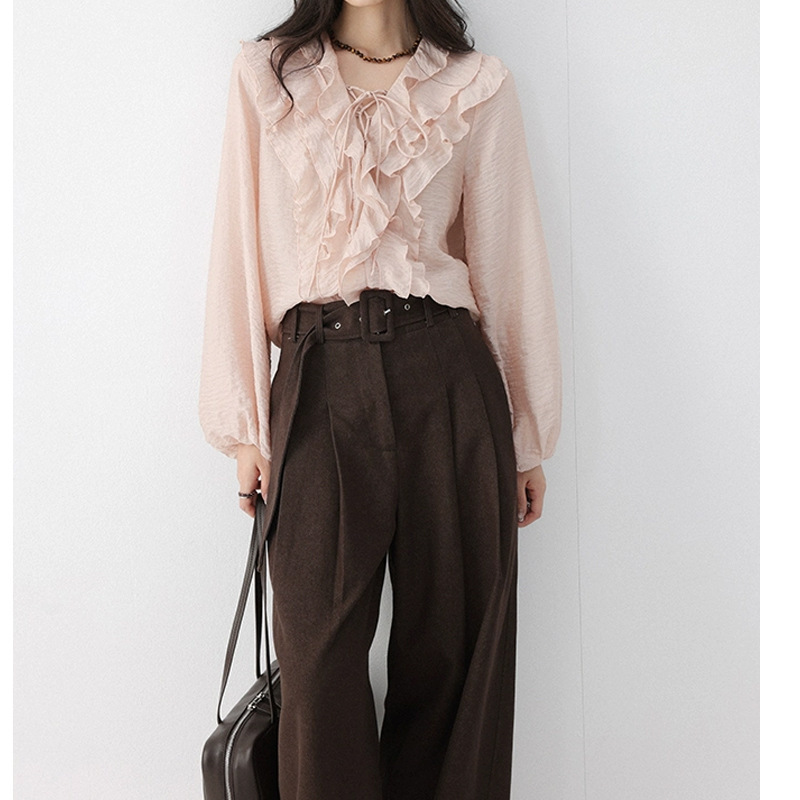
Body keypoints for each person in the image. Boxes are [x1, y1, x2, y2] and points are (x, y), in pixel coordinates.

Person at [198, 0, 562, 797]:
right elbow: (237, 246)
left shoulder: (476, 86)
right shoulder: (269, 77)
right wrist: (245, 426)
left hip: (448, 380)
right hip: (317, 377)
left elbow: (509, 261)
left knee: (451, 660)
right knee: (318, 666)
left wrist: (527, 437)